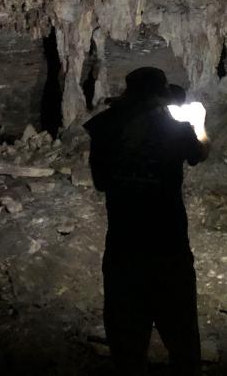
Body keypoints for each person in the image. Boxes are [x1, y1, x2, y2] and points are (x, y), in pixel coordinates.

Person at [84, 67, 210, 376]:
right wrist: (199, 123)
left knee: (126, 346)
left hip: (123, 249)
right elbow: (201, 152)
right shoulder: (174, 127)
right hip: (169, 248)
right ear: (160, 95)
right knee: (182, 342)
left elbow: (100, 182)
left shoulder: (105, 126)